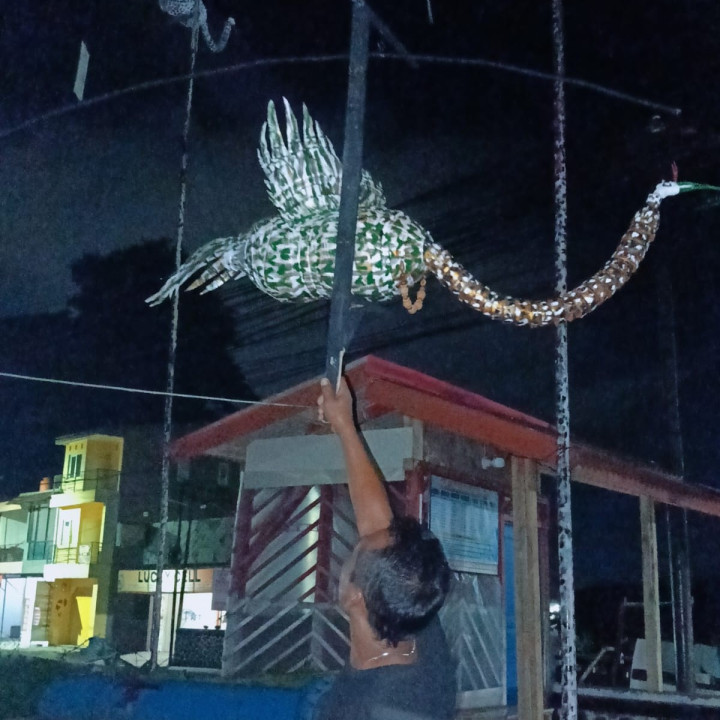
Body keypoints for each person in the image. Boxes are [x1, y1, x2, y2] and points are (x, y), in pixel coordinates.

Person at [313, 376, 456, 720]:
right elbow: (376, 525)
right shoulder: (411, 615)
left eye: (356, 551)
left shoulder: (383, 710)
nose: (362, 535)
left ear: (355, 596)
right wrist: (344, 425)